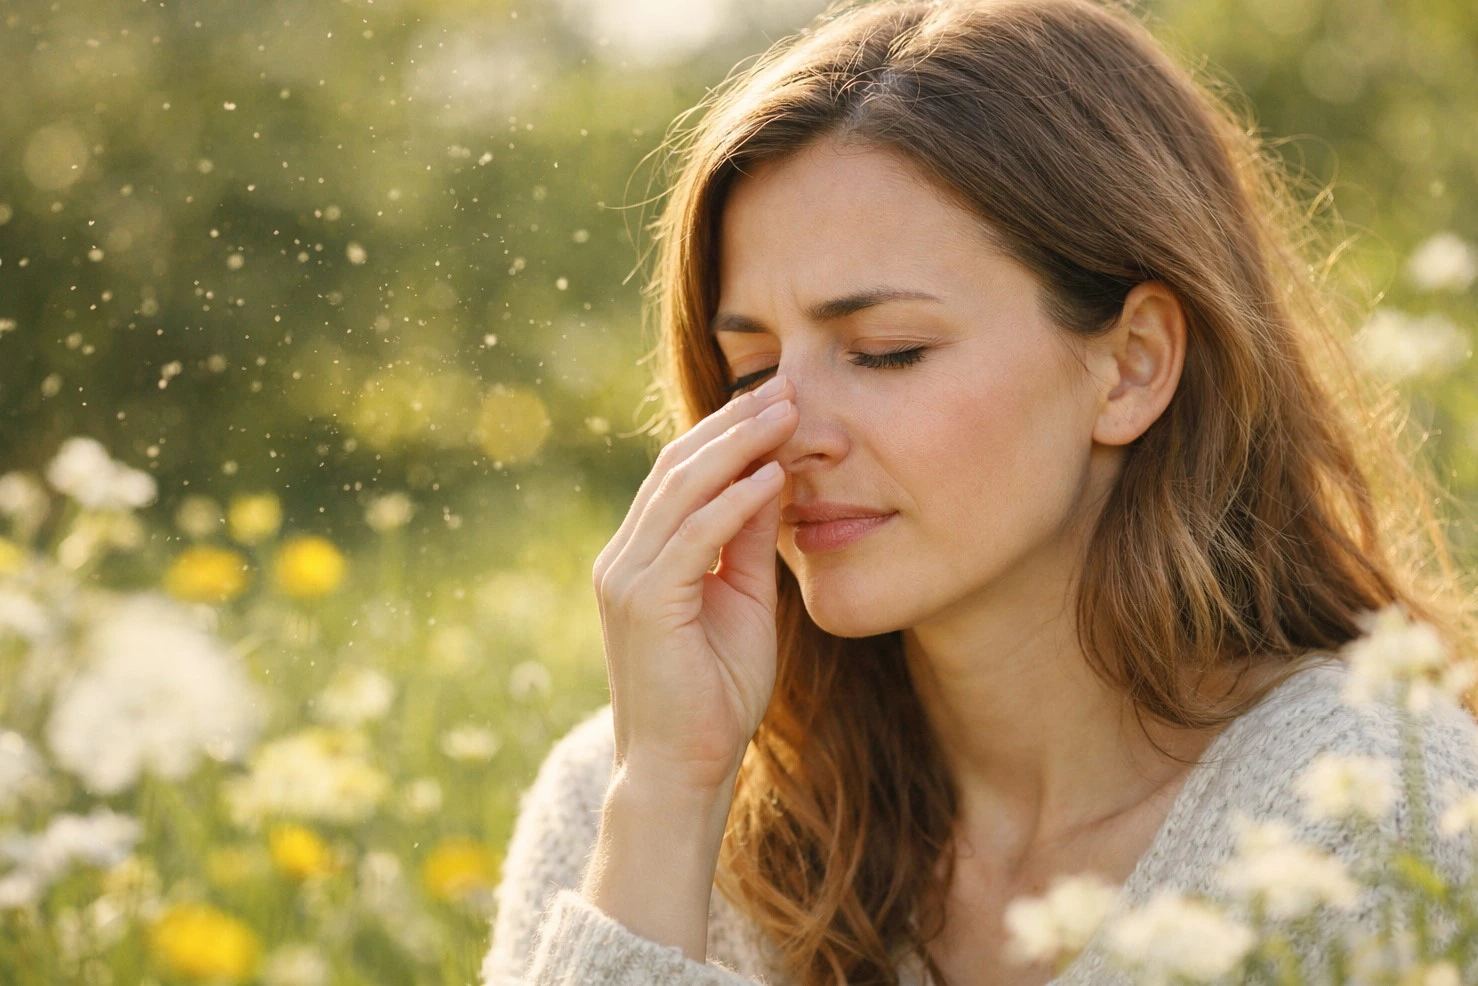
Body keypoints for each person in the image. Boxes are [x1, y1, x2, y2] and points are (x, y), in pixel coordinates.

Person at [481, 0, 1478, 983]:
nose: (790, 433)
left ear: (1129, 365)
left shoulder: (1386, 815)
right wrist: (666, 795)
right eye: (748, 372)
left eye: (885, 352)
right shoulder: (623, 800)